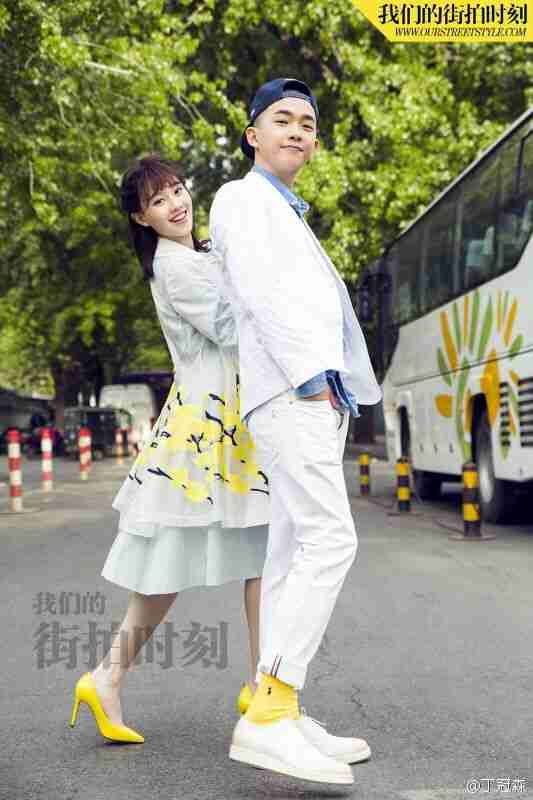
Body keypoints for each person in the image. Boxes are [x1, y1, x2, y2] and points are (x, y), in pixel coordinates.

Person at [210, 78, 382, 785]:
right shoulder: (240, 198)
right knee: (330, 539)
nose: (298, 132)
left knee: (287, 552)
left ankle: (276, 704)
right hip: (292, 391)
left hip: (308, 395)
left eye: (308, 124)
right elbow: (259, 292)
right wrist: (311, 377)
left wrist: (328, 388)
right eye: (282, 120)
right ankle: (271, 713)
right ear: (253, 135)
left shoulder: (284, 210)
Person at [69, 154, 269, 743]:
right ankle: (260, 690)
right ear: (142, 217)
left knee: (246, 554)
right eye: (159, 200)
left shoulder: (195, 255)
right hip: (210, 426)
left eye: (178, 190)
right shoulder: (176, 268)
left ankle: (258, 686)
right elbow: (234, 329)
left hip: (220, 421)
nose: (176, 203)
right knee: (234, 554)